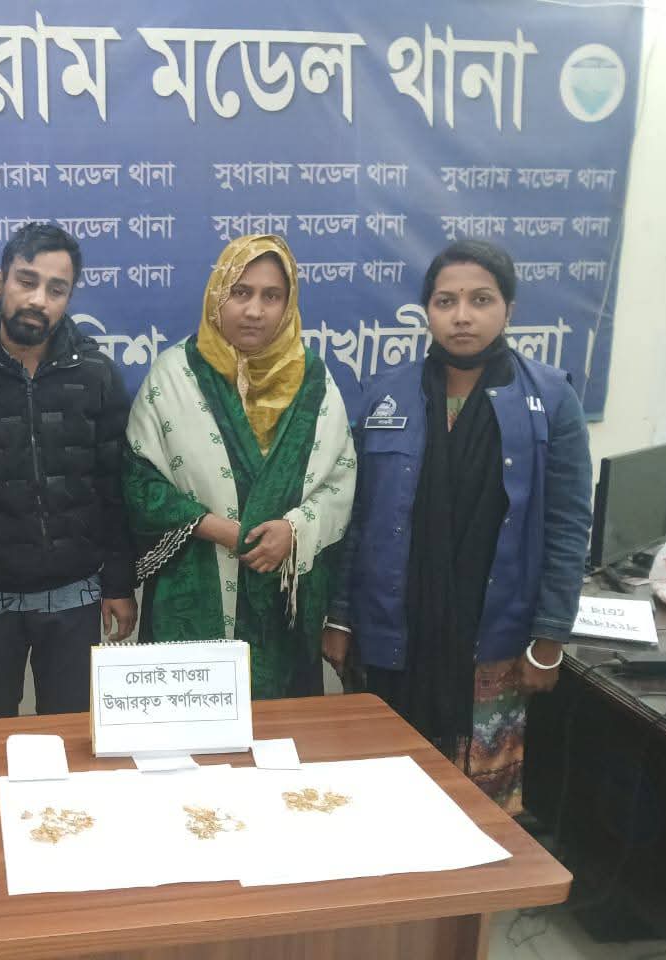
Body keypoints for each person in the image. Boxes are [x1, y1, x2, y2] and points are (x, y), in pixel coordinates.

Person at [323, 238, 592, 812]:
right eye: (446, 301)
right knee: (380, 795)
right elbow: (356, 515)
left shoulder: (552, 399)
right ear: (427, 310)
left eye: (480, 300)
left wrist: (550, 636)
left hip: (495, 635)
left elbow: (568, 525)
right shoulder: (385, 393)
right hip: (392, 631)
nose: (462, 316)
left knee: (478, 811)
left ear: (508, 310)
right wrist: (339, 616)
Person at [0, 222, 136, 720]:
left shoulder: (96, 375)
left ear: (69, 297)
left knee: (72, 735)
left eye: (56, 289)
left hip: (77, 596)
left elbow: (115, 489)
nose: (38, 299)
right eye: (27, 281)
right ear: (0, 282)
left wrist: (119, 584)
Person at [122, 233, 356, 698]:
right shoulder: (173, 374)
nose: (254, 310)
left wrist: (295, 530)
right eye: (241, 292)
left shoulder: (314, 380)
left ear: (288, 304)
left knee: (279, 734)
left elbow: (340, 479)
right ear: (217, 296)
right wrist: (216, 528)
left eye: (271, 296)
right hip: (194, 586)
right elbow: (139, 480)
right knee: (191, 725)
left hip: (282, 596)